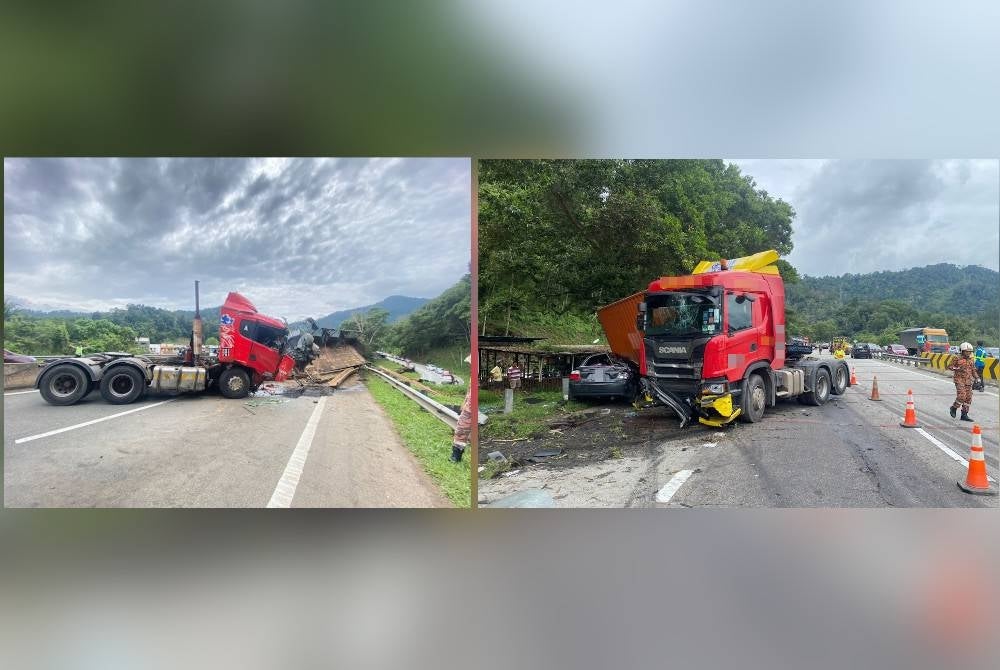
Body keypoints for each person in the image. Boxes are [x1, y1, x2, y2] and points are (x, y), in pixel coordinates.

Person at [948, 342, 976, 421]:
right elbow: (950, 367)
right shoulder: (957, 358)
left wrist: (977, 378)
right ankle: (954, 407)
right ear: (962, 351)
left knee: (968, 398)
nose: (968, 353)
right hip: (959, 379)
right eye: (967, 351)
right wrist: (958, 369)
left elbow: (973, 370)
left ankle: (964, 414)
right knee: (962, 396)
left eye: (970, 352)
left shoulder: (971, 359)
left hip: (968, 381)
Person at [450, 387, 473, 463]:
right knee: (461, 430)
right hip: (468, 408)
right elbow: (470, 388)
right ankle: (456, 455)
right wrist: (464, 402)